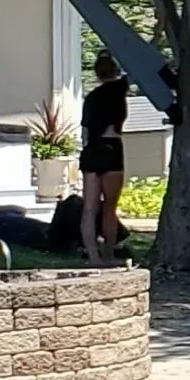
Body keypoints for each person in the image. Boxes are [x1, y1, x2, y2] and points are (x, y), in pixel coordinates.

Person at [78, 55, 130, 264]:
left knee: (89, 208)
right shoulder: (118, 90)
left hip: (92, 150)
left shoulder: (91, 98)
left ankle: (93, 256)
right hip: (111, 147)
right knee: (109, 207)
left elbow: (85, 130)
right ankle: (108, 253)